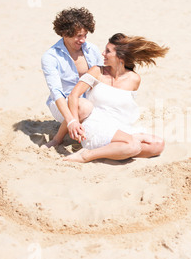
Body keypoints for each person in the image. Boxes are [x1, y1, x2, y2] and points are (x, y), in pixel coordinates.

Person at [63, 33, 169, 163]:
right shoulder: (97, 71)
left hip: (120, 126)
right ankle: (87, 155)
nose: (103, 53)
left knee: (158, 144)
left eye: (108, 51)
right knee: (133, 146)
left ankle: (115, 150)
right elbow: (74, 95)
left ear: (120, 56)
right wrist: (74, 122)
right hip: (96, 124)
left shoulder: (134, 79)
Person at [41, 7, 103, 148]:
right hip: (64, 104)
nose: (83, 40)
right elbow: (56, 92)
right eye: (78, 36)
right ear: (64, 33)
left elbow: (102, 78)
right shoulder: (50, 57)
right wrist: (71, 121)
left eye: (85, 35)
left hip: (92, 100)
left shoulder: (92, 50)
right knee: (84, 106)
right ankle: (58, 139)